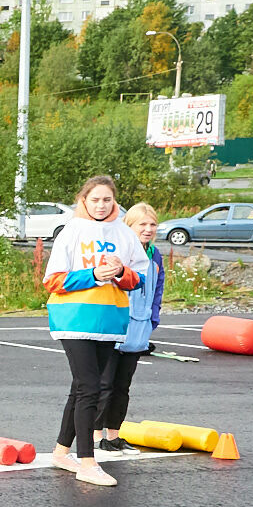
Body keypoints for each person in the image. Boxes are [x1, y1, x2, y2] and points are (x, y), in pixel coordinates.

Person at [44, 175, 147, 487]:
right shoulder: (71, 231)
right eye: (95, 200)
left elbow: (140, 278)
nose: (101, 205)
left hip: (109, 320)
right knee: (91, 387)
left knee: (81, 388)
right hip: (74, 319)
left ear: (114, 201)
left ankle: (61, 452)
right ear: (83, 201)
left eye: (106, 199)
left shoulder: (125, 234)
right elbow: (53, 280)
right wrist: (93, 274)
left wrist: (120, 272)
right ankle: (87, 462)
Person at [96, 202, 165, 453]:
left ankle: (114, 435)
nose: (148, 229)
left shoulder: (155, 255)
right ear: (129, 226)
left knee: (122, 387)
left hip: (138, 328)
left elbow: (157, 289)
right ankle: (95, 437)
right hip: (114, 326)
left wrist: (152, 319)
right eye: (142, 224)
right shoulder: (120, 251)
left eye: (152, 224)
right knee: (104, 385)